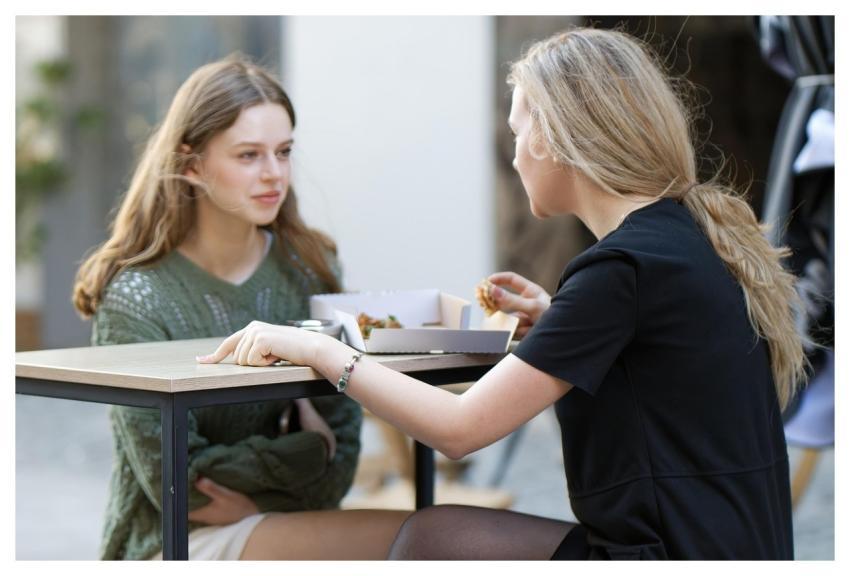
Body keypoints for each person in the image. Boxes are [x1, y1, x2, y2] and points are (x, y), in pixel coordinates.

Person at [199, 28, 808, 560]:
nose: (514, 155)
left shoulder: (619, 271)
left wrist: (321, 352)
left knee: (431, 540)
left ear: (554, 137)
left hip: (668, 554)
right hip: (733, 547)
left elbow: (460, 430)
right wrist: (556, 317)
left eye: (517, 132)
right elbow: (657, 360)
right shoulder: (684, 237)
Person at [73, 55, 409, 560]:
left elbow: (344, 452)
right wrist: (307, 451)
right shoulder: (137, 298)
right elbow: (182, 482)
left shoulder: (310, 269)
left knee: (432, 534)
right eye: (249, 155)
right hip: (177, 541)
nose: (274, 174)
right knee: (422, 540)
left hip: (285, 521)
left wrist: (263, 496)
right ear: (191, 165)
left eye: (284, 151)